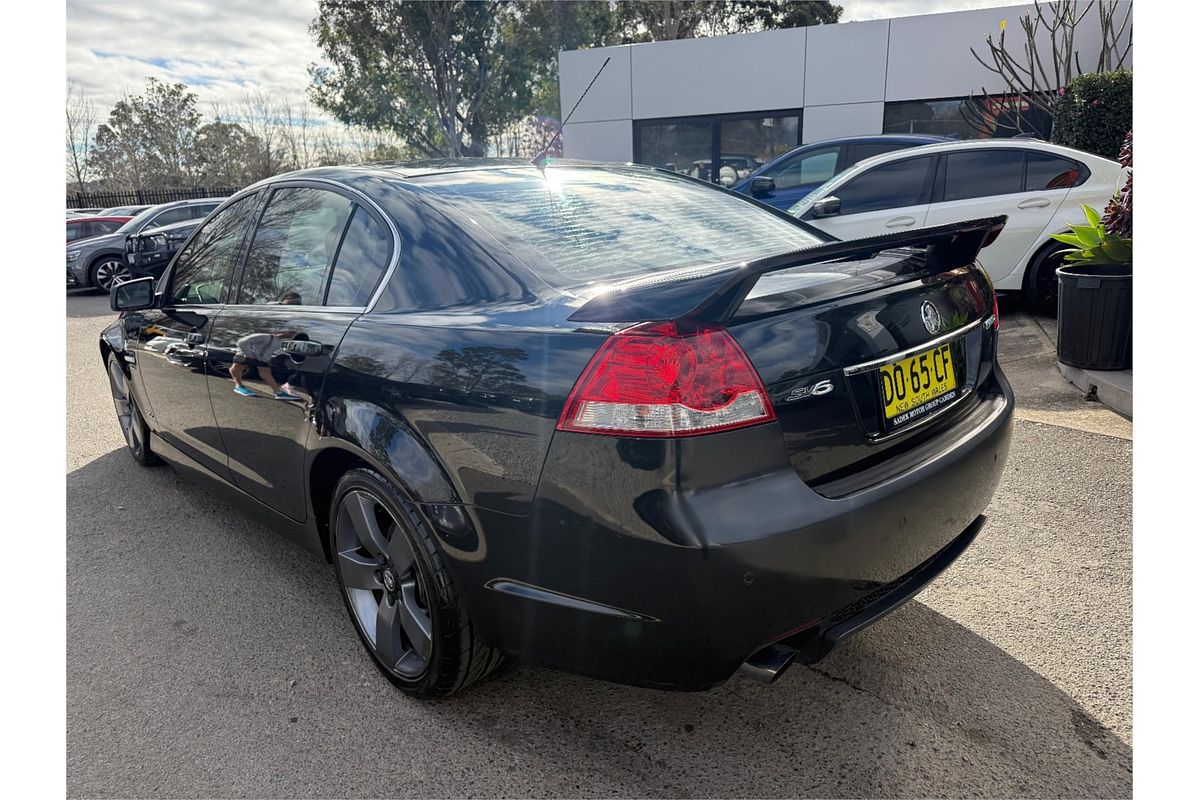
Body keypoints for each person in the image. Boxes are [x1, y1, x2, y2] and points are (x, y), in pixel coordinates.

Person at [229, 292, 304, 399]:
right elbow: (248, 336)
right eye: (292, 302)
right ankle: (239, 385)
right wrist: (249, 353)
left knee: (265, 370)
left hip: (265, 347)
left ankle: (277, 392)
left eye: (297, 303)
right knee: (237, 366)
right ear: (284, 301)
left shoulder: (292, 316)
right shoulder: (270, 310)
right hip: (252, 343)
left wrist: (283, 335)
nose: (294, 305)